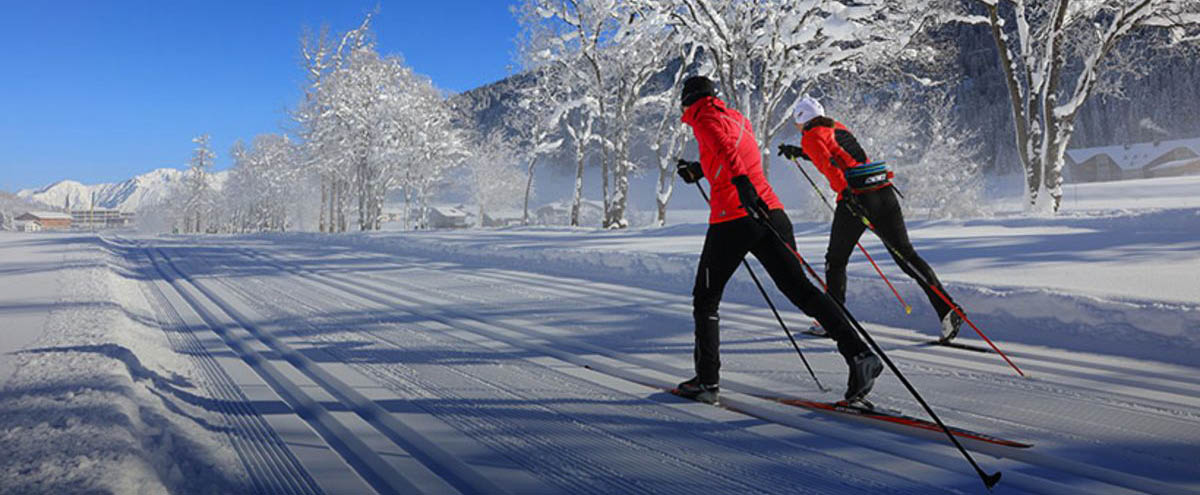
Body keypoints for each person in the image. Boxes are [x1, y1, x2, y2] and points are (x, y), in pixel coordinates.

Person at [674, 76, 881, 405]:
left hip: (734, 217)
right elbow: (733, 152)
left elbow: (726, 151)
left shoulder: (704, 117)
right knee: (802, 290)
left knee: (705, 298)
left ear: (688, 100)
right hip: (771, 212)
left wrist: (741, 184)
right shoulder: (735, 118)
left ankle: (707, 381)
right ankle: (859, 355)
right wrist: (701, 170)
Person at [778, 97, 964, 343]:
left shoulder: (810, 136)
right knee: (906, 255)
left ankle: (832, 319)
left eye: (796, 122)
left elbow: (831, 168)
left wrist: (846, 195)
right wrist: (802, 154)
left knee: (835, 260)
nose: (796, 127)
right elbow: (841, 157)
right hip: (883, 192)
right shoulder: (837, 126)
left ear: (801, 119)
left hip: (856, 199)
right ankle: (947, 309)